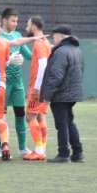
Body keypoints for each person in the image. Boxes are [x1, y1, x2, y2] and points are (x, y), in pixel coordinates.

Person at [0, 13, 48, 162]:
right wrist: (33, 39)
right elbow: (16, 43)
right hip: (1, 85)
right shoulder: (2, 42)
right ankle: (5, 145)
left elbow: (18, 41)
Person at [40, 25, 85, 163]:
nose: (54, 39)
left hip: (61, 94)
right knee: (69, 122)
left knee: (62, 124)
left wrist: (47, 95)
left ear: (61, 36)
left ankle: (63, 153)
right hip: (72, 93)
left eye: (55, 36)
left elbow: (56, 76)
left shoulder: (60, 52)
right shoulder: (77, 50)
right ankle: (78, 153)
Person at [0, 8, 32, 158]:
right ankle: (0, 148)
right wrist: (9, 58)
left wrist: (45, 48)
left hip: (17, 83)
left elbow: (29, 56)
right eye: (13, 20)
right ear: (4, 20)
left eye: (17, 21)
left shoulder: (18, 36)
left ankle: (22, 148)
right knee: (0, 116)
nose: (15, 23)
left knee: (20, 114)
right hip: (3, 83)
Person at [23, 16, 52, 161]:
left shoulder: (39, 43)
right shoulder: (46, 42)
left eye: (28, 25)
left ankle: (38, 151)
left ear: (34, 26)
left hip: (39, 87)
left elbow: (43, 65)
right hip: (46, 86)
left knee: (30, 116)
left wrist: (37, 88)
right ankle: (42, 149)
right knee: (40, 115)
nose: (26, 27)